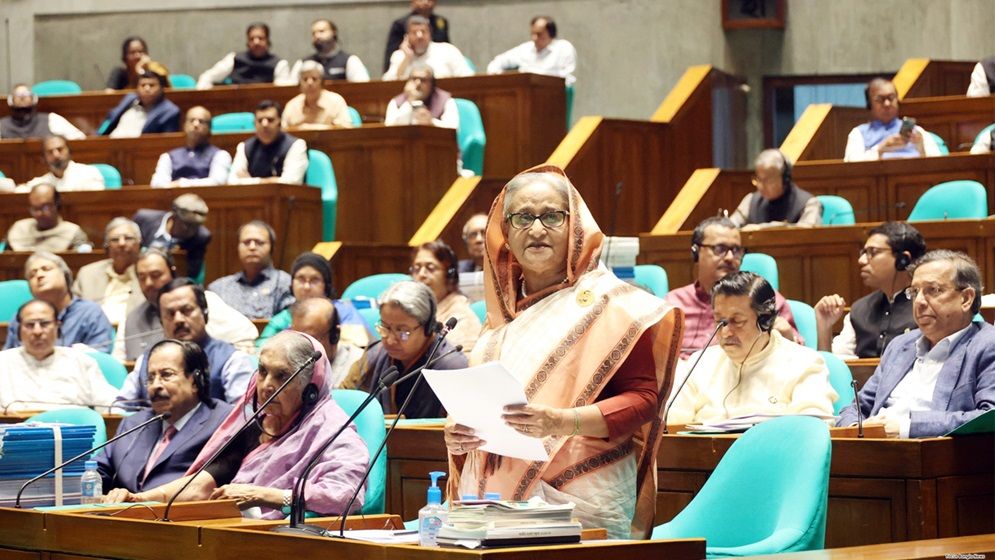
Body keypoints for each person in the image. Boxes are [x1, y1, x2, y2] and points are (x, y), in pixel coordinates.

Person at [442, 166, 682, 539]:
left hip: (581, 491)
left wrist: (560, 421)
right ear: (504, 231)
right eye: (522, 217)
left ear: (575, 226)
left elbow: (644, 400)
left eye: (552, 216)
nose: (536, 229)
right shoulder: (499, 323)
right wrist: (459, 435)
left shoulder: (611, 305)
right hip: (493, 501)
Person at [106, 331, 370, 520]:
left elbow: (345, 495)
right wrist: (141, 499)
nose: (266, 385)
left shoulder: (333, 431)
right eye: (263, 371)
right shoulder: (255, 425)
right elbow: (201, 485)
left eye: (282, 376)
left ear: (310, 388)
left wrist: (267, 495)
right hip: (233, 534)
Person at [837, 250, 995, 438]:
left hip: (935, 456)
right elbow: (857, 407)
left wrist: (907, 428)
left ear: (966, 298)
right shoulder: (900, 345)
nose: (919, 301)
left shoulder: (987, 344)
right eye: (914, 291)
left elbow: (988, 416)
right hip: (874, 450)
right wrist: (858, 429)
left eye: (933, 290)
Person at [667, 272, 837, 425]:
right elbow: (671, 427)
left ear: (765, 321)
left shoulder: (805, 363)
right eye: (719, 321)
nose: (725, 332)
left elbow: (812, 432)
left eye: (737, 322)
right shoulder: (699, 364)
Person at [96, 339, 233, 492]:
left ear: (195, 381)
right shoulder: (132, 424)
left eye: (166, 375)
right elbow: (96, 471)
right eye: (150, 378)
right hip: (121, 513)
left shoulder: (222, 422)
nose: (155, 385)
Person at [664, 216, 801, 358]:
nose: (730, 257)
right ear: (696, 252)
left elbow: (798, 354)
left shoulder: (764, 298)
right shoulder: (674, 303)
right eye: (719, 248)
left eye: (736, 250)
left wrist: (788, 340)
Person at [119, 278, 255, 404]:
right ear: (161, 322)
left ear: (205, 314)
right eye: (170, 314)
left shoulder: (232, 360)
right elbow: (120, 408)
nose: (178, 319)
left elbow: (242, 415)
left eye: (186, 310)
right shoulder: (146, 360)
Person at [347, 281, 467, 419]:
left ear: (428, 327)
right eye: (385, 327)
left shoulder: (452, 367)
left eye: (402, 331)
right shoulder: (376, 354)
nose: (390, 340)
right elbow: (343, 401)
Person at [115, 249, 259, 362]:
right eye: (142, 277)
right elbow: (119, 365)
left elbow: (246, 335)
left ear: (172, 272)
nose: (149, 283)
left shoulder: (203, 301)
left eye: (156, 275)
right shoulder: (130, 318)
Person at [815, 222, 926, 360]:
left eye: (872, 252)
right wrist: (824, 327)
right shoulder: (859, 310)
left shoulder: (926, 307)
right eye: (864, 253)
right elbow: (835, 368)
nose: (861, 260)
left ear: (903, 260)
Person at [0, 299, 117, 413]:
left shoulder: (81, 361)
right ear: (19, 329)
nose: (37, 331)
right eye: (30, 325)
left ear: (57, 326)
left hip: (73, 430)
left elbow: (110, 405)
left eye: (44, 324)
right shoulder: (3, 362)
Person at [255, 251, 370, 350]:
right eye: (301, 279)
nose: (306, 287)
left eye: (314, 280)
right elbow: (261, 351)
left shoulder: (344, 311)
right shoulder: (282, 318)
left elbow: (359, 346)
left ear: (327, 286)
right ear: (291, 284)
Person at [5, 253, 113, 352]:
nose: (39, 275)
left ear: (65, 275)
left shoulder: (90, 312)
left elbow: (101, 358)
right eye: (32, 275)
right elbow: (7, 359)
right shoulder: (23, 317)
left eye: (46, 269)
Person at [207, 221, 293, 320]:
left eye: (259, 242)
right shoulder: (219, 288)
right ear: (238, 247)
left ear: (272, 248)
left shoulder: (285, 283)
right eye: (246, 242)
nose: (252, 247)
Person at [843, 78, 942, 162]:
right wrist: (880, 149)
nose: (887, 104)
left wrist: (920, 146)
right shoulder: (858, 133)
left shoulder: (917, 131)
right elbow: (851, 164)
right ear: (870, 104)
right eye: (880, 99)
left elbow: (938, 163)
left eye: (891, 98)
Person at [71, 217, 145, 327]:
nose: (121, 243)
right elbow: (74, 310)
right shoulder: (88, 273)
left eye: (128, 238)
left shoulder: (148, 274)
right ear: (107, 246)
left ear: (139, 243)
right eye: (115, 239)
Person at [410, 240, 481, 353]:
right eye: (417, 268)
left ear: (449, 275)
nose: (421, 274)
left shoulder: (461, 316)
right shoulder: (412, 308)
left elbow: (463, 362)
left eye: (430, 268)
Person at [729, 149, 821, 229]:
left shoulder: (808, 203)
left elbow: (808, 233)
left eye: (768, 180)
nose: (761, 186)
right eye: (759, 179)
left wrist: (761, 229)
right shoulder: (751, 200)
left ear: (785, 179)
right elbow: (731, 226)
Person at [133, 193, 212, 281]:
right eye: (187, 225)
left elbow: (192, 273)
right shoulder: (144, 219)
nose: (191, 231)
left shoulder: (201, 236)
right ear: (174, 216)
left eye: (196, 226)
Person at [227, 100, 308, 185]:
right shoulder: (244, 147)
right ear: (254, 124)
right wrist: (270, 181)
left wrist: (249, 181)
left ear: (279, 123)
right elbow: (232, 182)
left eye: (270, 120)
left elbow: (291, 182)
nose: (264, 124)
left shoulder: (296, 145)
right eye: (260, 120)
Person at [290, 298, 363, 389]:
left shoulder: (359, 365)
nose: (301, 347)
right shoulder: (288, 362)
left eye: (310, 339)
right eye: (297, 339)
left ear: (335, 335)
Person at [150, 106, 232, 187]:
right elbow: (157, 184)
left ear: (209, 129)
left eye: (201, 121)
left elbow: (218, 182)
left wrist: (182, 184)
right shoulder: (168, 157)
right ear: (184, 126)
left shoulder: (221, 155)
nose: (196, 124)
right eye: (191, 120)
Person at [486, 16, 577, 86]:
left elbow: (567, 77)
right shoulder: (525, 48)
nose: (534, 38)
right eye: (532, 33)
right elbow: (499, 61)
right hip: (526, 93)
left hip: (553, 93)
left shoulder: (563, 48)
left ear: (551, 34)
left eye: (539, 34)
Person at [197, 23, 290, 89]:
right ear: (248, 42)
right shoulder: (234, 59)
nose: (256, 42)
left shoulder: (280, 64)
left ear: (268, 41)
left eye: (260, 38)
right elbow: (207, 77)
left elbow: (281, 91)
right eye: (252, 39)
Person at [101, 62, 180, 137]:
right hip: (109, 144)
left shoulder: (170, 111)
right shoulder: (130, 99)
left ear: (161, 89)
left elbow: (168, 142)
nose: (146, 89)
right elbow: (110, 118)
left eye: (151, 85)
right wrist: (97, 135)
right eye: (143, 85)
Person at [5, 183, 90, 252]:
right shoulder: (19, 228)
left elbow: (80, 260)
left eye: (45, 207)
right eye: (35, 208)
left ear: (57, 205)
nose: (39, 213)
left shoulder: (73, 232)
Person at [383, 15, 472, 81]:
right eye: (414, 32)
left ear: (430, 35)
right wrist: (406, 60)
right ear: (407, 36)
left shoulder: (448, 51)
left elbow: (468, 78)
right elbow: (387, 86)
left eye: (423, 31)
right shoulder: (399, 56)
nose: (419, 36)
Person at [288, 18, 370, 83]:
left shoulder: (350, 60)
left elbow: (363, 88)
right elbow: (289, 89)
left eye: (321, 31)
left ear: (334, 33)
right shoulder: (302, 63)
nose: (317, 36)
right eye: (313, 33)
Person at [281, 61, 353, 129]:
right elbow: (282, 131)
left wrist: (311, 128)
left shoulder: (336, 101)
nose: (309, 83)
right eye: (305, 79)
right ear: (299, 83)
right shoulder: (292, 105)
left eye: (314, 79)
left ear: (322, 82)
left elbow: (346, 128)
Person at [384, 0, 450, 73]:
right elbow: (391, 53)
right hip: (408, 64)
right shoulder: (400, 24)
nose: (426, 2)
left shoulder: (440, 21)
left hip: (436, 63)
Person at [0, 84, 85, 140]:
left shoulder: (51, 119)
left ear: (34, 99)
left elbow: (79, 139)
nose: (22, 97)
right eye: (18, 95)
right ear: (10, 100)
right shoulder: (1, 125)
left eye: (26, 94)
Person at [21, 135, 105, 192]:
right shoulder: (43, 182)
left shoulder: (89, 173)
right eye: (50, 152)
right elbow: (22, 191)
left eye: (60, 149)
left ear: (69, 151)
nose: (56, 155)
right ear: (44, 158)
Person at [384, 67, 458, 129]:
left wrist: (432, 122)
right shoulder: (396, 102)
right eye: (414, 79)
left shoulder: (446, 101)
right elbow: (389, 129)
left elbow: (453, 129)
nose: (418, 83)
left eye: (423, 80)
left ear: (432, 84)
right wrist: (411, 100)